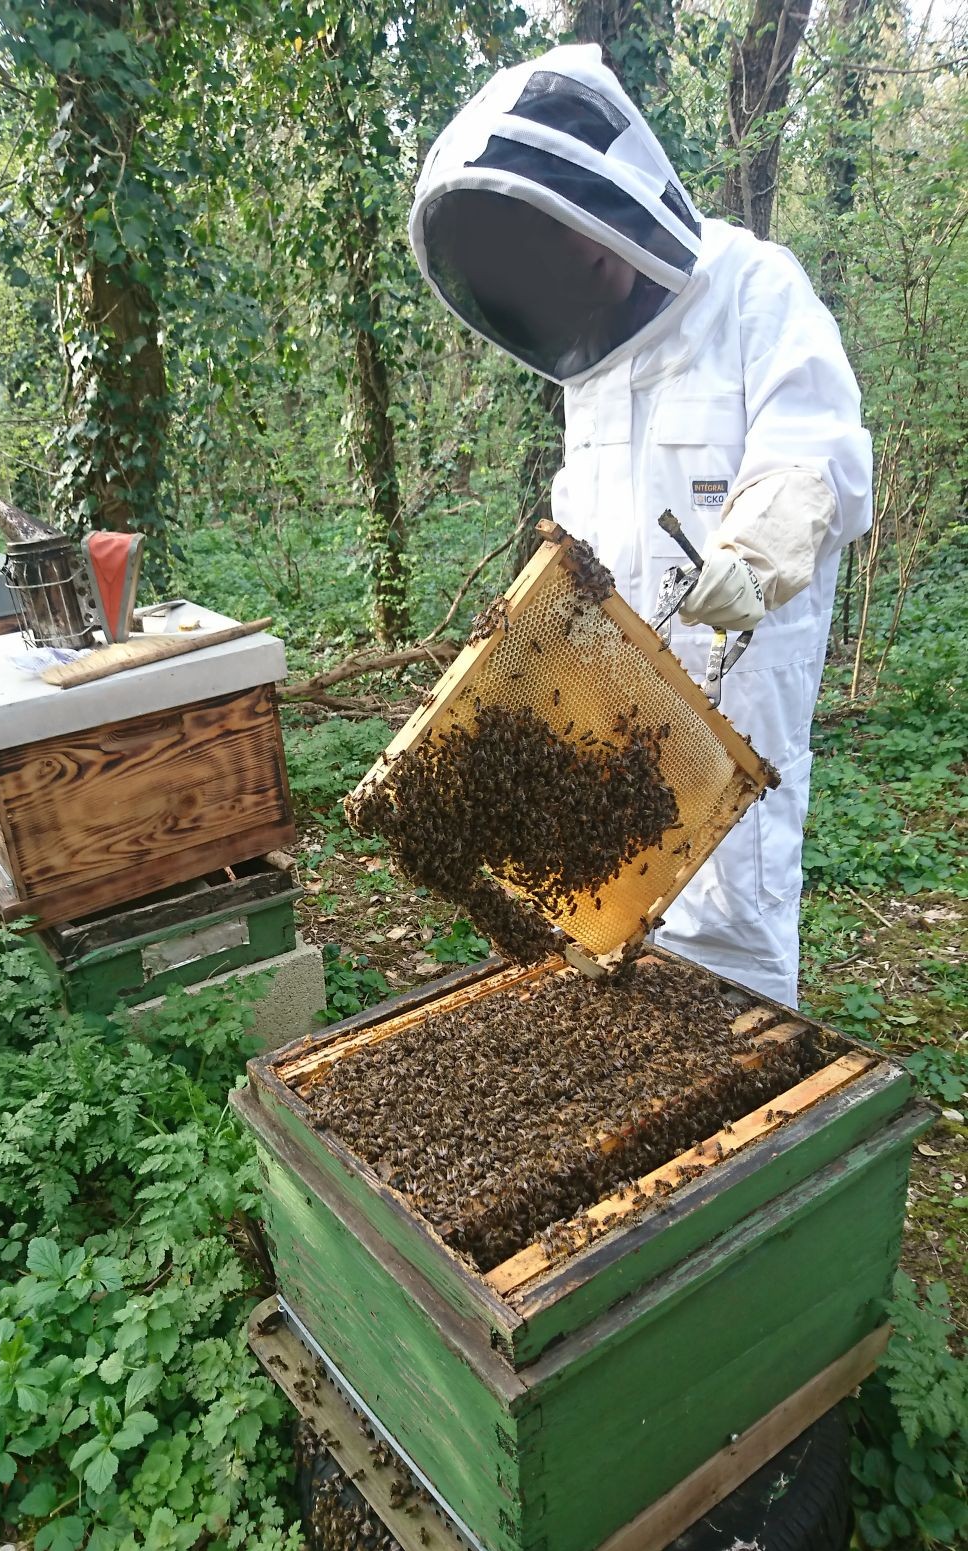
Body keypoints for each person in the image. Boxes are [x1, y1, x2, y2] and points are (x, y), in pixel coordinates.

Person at [409, 42, 871, 1007]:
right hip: (606, 736)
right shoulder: (591, 358)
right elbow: (581, 545)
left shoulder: (755, 289)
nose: (576, 271)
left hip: (731, 724)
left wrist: (755, 554)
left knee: (734, 994)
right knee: (603, 971)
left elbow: (819, 456)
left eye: (577, 243)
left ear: (616, 202)